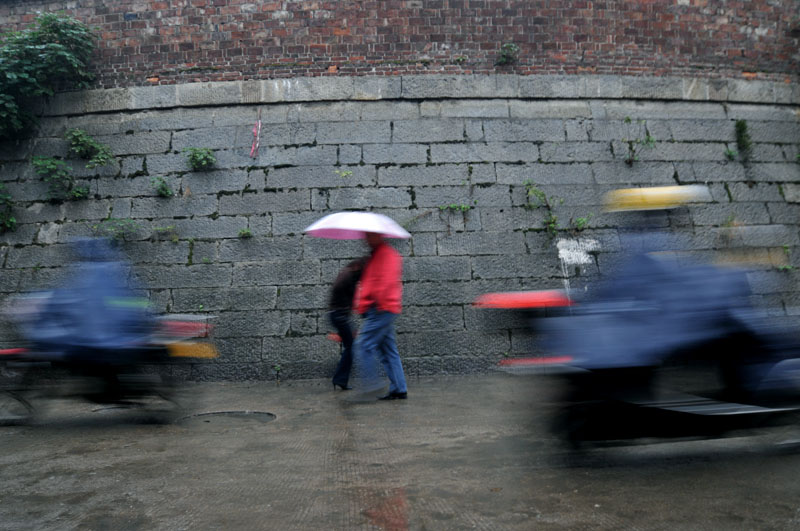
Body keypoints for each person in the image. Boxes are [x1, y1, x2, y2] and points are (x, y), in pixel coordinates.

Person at [353, 232, 408, 400]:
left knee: (363, 345)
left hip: (381, 308)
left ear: (378, 236)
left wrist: (374, 303)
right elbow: (370, 283)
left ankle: (372, 385)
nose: (366, 240)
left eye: (369, 236)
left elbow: (387, 282)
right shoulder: (376, 255)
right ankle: (399, 388)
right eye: (366, 237)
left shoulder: (388, 255)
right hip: (380, 308)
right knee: (388, 350)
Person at [329, 257, 366, 390]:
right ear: (357, 266)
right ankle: (340, 379)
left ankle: (340, 379)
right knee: (351, 347)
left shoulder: (347, 275)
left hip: (339, 316)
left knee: (350, 346)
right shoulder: (348, 275)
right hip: (340, 316)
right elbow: (342, 292)